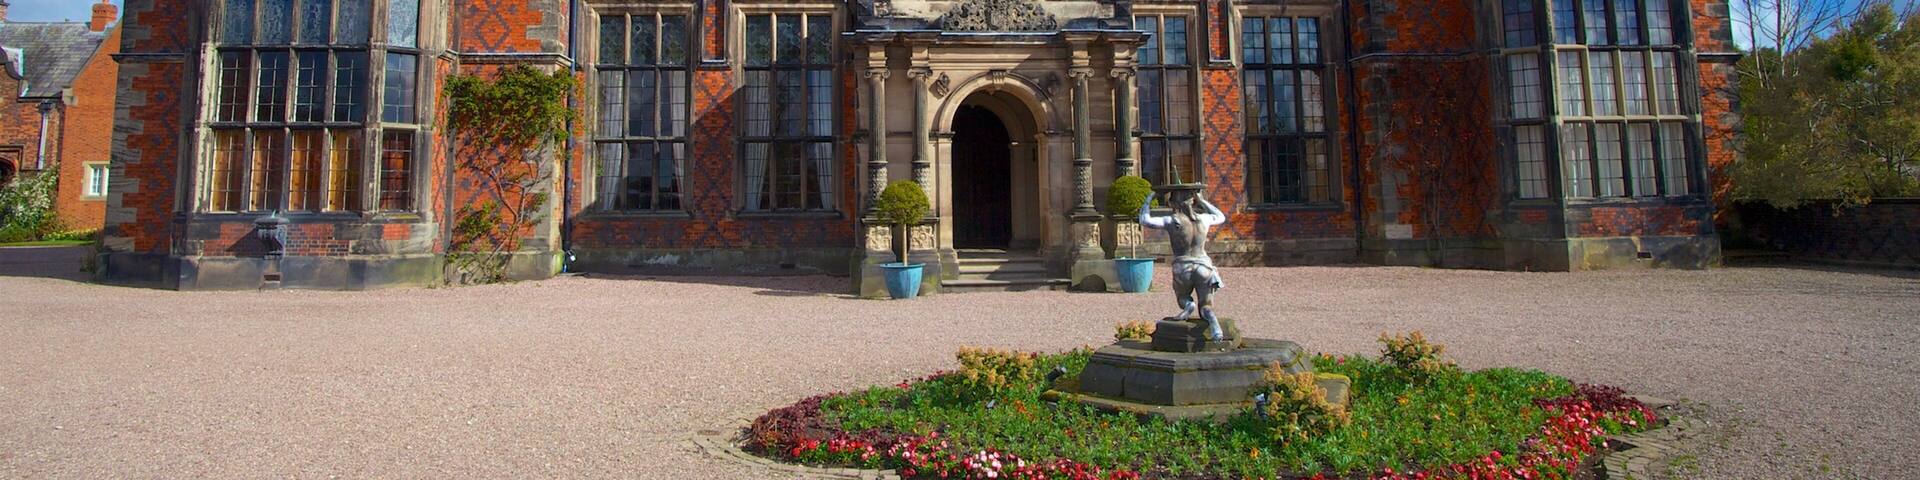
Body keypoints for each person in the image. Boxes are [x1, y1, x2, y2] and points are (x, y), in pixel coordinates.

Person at [1138, 187, 1228, 340]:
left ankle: (1188, 305)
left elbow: (1144, 220)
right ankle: (1214, 325)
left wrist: (1149, 199)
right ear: (1193, 201)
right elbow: (1221, 216)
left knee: (1183, 297)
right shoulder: (1204, 218)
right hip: (1203, 267)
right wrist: (1202, 201)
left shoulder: (1171, 220)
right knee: (1206, 305)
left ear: (1172, 203)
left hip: (1183, 267)